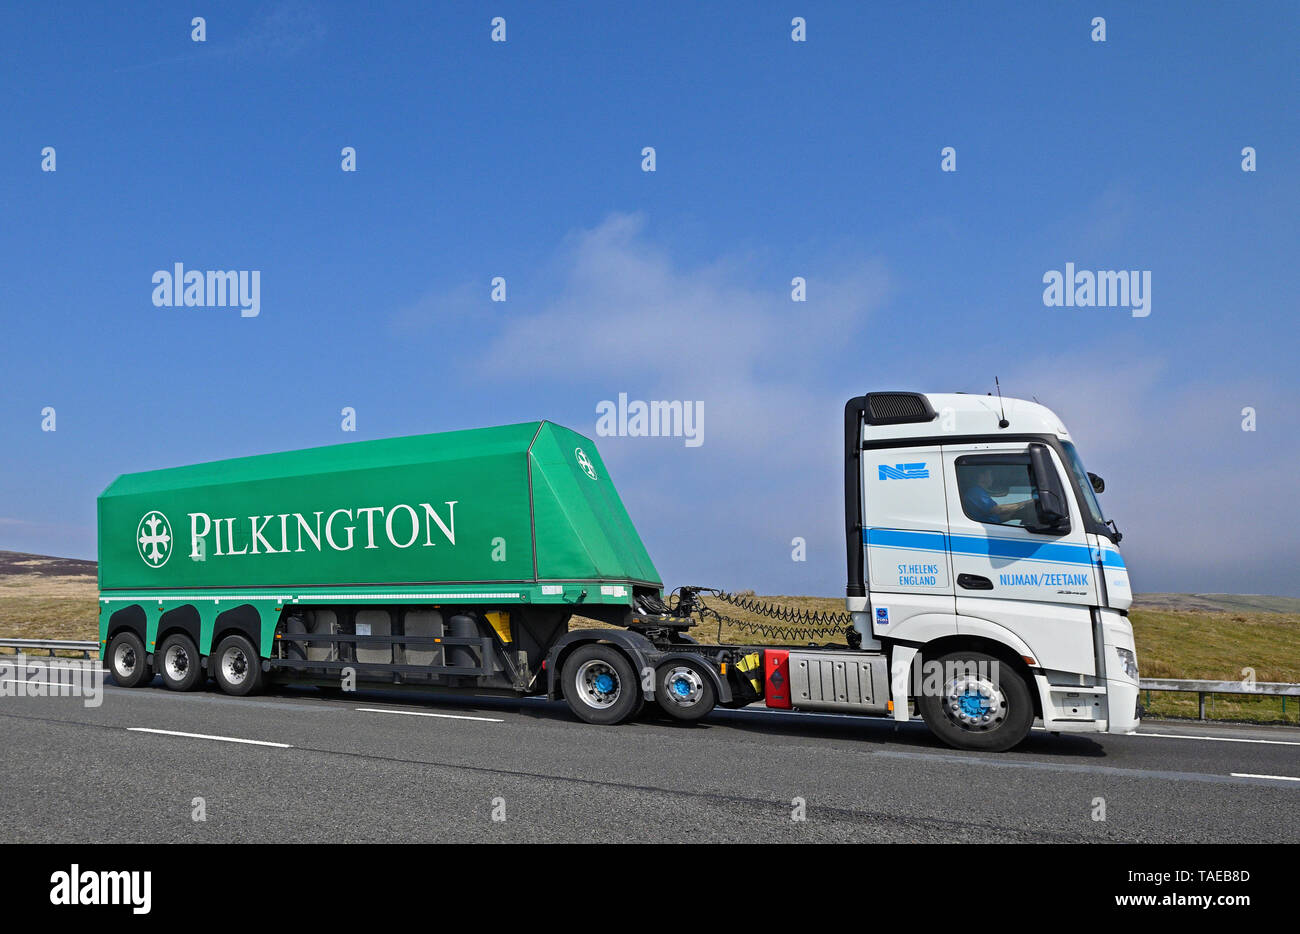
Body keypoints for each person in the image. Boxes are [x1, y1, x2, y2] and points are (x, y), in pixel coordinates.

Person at [963, 466, 1038, 525]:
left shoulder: (979, 492)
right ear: (982, 476)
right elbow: (997, 510)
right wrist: (1025, 503)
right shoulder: (976, 492)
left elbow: (995, 517)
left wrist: (1017, 514)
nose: (992, 478)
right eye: (990, 474)